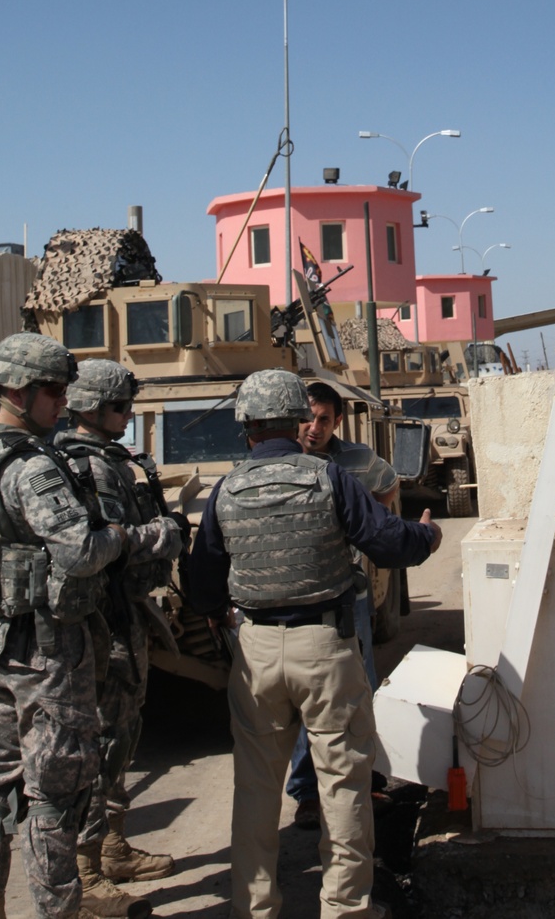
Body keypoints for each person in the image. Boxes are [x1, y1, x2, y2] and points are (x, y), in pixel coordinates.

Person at [189, 368, 441, 919]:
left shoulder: (227, 488)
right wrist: (429, 534)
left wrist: (222, 616)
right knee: (344, 782)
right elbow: (387, 540)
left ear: (246, 425)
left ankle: (255, 908)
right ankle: (346, 908)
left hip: (255, 650)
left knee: (255, 790)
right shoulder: (330, 479)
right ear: (298, 419)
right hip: (325, 646)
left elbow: (202, 581)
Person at [0, 333, 128, 919]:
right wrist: (123, 537)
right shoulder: (31, 467)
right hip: (45, 653)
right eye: (53, 390)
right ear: (19, 391)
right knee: (55, 797)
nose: (62, 402)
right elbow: (79, 552)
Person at [55, 360, 185, 918]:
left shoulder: (104, 460)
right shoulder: (91, 468)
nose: (128, 417)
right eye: (120, 408)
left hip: (121, 615)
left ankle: (112, 847)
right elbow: (110, 545)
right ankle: (87, 871)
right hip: (104, 621)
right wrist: (165, 535)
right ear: (91, 410)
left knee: (121, 734)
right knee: (103, 741)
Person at [286, 380, 399, 830]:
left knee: (360, 687)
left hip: (349, 593)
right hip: (298, 595)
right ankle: (307, 791)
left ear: (336, 422)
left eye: (324, 420)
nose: (314, 428)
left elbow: (388, 485)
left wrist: (367, 523)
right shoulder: (281, 458)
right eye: (307, 417)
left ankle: (362, 778)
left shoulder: (356, 460)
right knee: (306, 698)